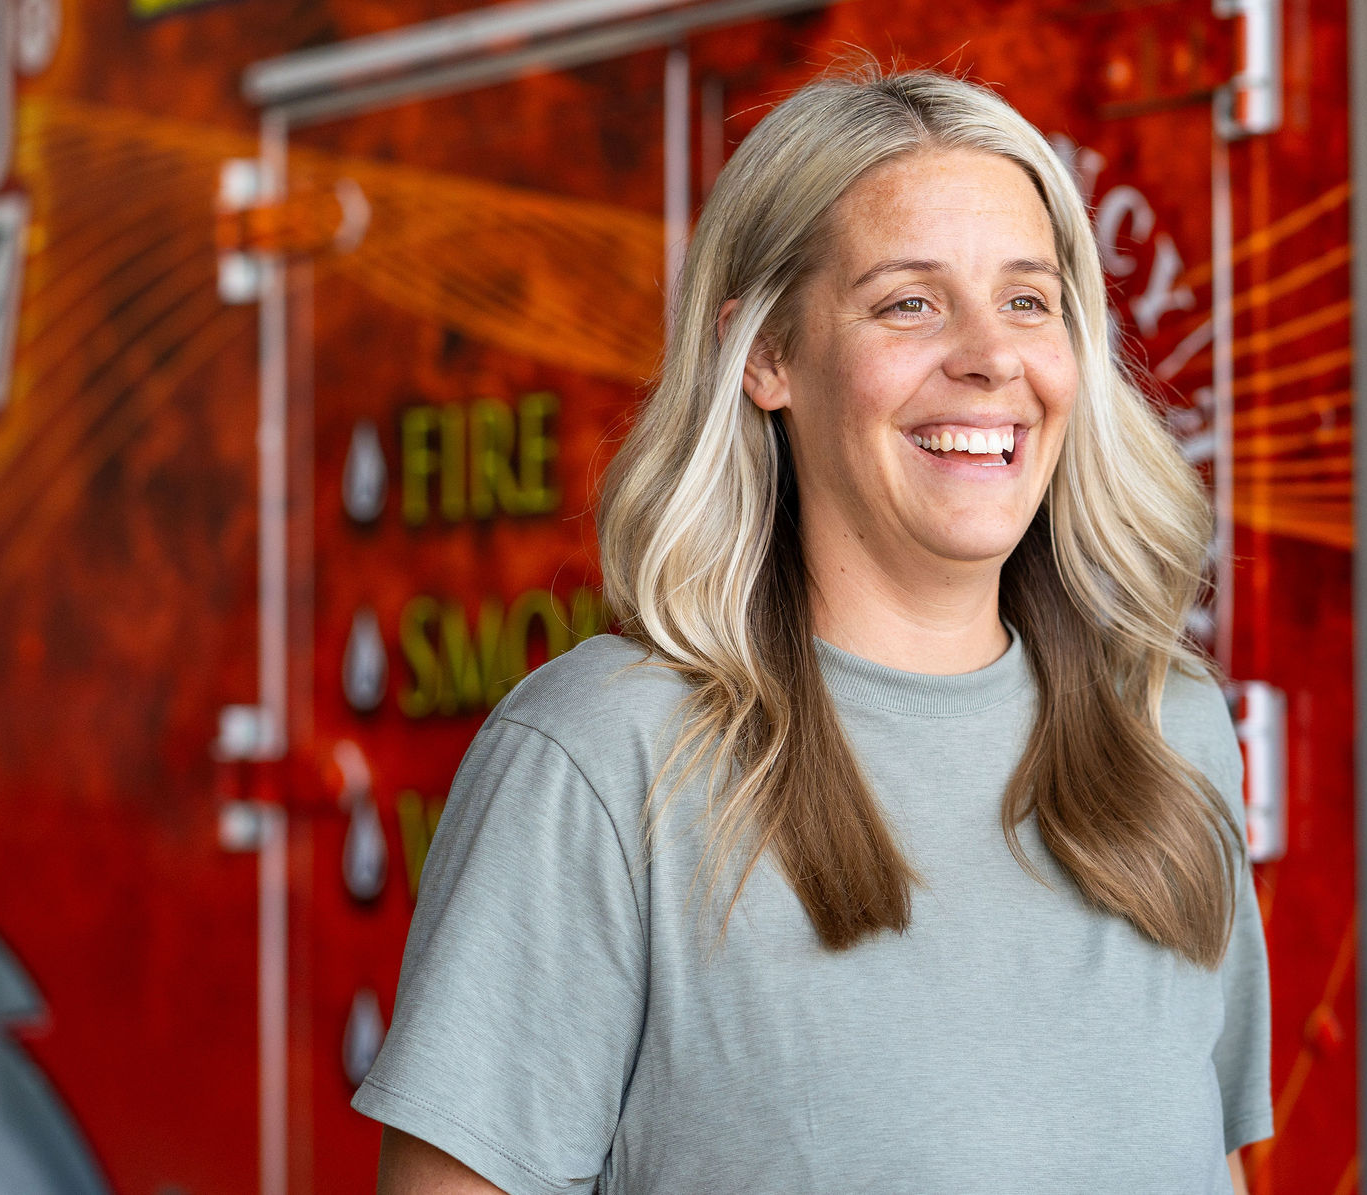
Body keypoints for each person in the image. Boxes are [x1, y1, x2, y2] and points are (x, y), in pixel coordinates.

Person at [358, 65, 1272, 1195]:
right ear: (765, 355)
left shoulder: (1168, 735)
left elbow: (1216, 1168)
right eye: (909, 301)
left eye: (1028, 300)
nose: (990, 356)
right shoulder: (604, 752)